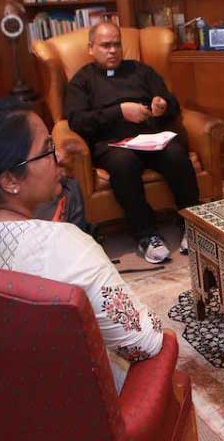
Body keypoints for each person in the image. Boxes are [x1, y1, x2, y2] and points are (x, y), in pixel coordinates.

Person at [0, 97, 162, 392]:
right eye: (47, 149)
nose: (60, 155)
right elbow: (144, 343)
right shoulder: (63, 244)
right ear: (10, 179)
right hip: (76, 411)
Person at [64, 21, 199, 264]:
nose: (113, 50)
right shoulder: (81, 81)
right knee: (124, 164)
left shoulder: (140, 71)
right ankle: (146, 234)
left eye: (116, 44)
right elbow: (77, 121)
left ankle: (191, 223)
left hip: (150, 137)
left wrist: (162, 105)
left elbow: (170, 101)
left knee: (176, 155)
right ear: (91, 48)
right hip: (112, 144)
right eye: (105, 45)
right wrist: (119, 112)